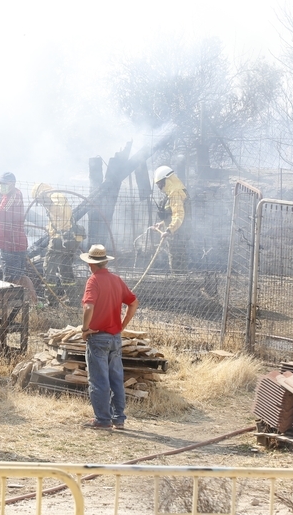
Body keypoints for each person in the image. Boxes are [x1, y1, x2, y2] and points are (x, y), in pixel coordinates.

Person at [79, 244, 139, 430]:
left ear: (91, 264)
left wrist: (85, 329)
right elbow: (133, 303)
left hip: (97, 337)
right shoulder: (116, 280)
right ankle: (118, 418)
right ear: (104, 262)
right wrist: (122, 326)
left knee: (99, 380)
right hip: (114, 337)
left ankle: (103, 420)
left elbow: (89, 307)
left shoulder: (93, 281)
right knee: (116, 378)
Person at [0, 172, 37, 305]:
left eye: (3, 184)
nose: (1, 186)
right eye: (0, 183)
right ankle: (35, 303)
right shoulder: (15, 193)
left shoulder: (11, 196)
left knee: (9, 278)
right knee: (20, 276)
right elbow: (3, 195)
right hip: (15, 243)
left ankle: (5, 306)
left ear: (11, 184)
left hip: (11, 244)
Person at [31, 182, 85, 286]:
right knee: (65, 268)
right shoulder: (58, 196)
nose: (41, 203)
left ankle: (51, 300)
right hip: (70, 237)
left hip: (60, 238)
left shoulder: (54, 197)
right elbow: (60, 219)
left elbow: (61, 213)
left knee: (49, 268)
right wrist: (49, 228)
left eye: (39, 200)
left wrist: (48, 203)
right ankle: (71, 299)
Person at [153, 166, 191, 273]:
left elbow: (179, 215)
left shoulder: (175, 193)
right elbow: (173, 213)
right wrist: (162, 223)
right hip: (176, 232)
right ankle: (179, 281)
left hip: (178, 234)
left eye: (160, 184)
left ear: (167, 180)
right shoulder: (173, 192)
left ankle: (180, 284)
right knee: (175, 259)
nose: (160, 188)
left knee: (177, 262)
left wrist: (169, 230)